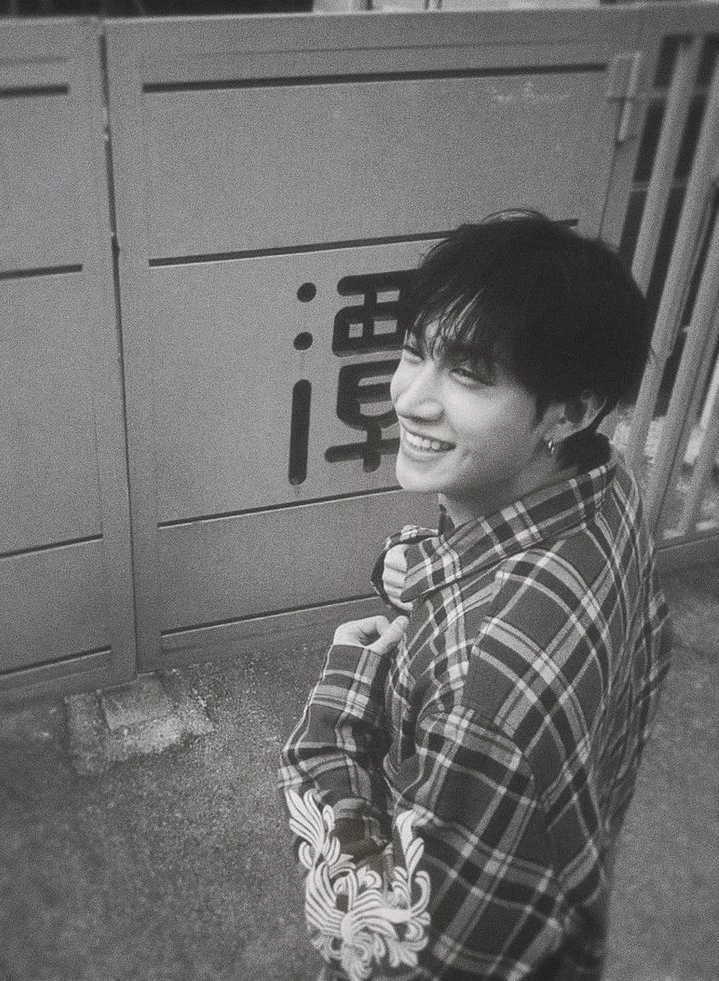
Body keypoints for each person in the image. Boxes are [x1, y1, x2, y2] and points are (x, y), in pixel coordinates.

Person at [278, 210, 672, 981]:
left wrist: (340, 707)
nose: (411, 398)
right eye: (414, 351)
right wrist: (420, 566)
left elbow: (390, 940)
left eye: (469, 374)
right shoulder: (605, 487)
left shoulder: (483, 692)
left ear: (570, 410)